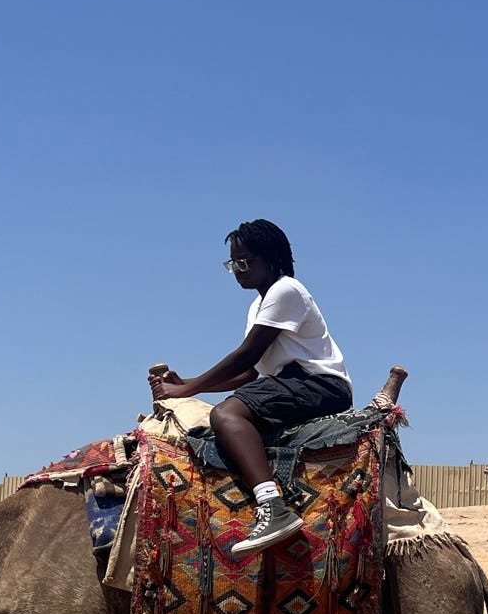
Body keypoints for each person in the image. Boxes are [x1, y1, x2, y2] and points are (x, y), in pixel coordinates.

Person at [151, 219, 353, 555]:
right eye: (232, 263)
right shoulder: (257, 306)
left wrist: (185, 390)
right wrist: (186, 383)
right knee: (229, 414)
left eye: (244, 262)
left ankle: (271, 505)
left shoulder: (286, 290)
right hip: (287, 384)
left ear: (271, 258)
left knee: (227, 415)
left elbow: (248, 354)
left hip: (319, 384)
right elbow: (248, 376)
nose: (238, 270)